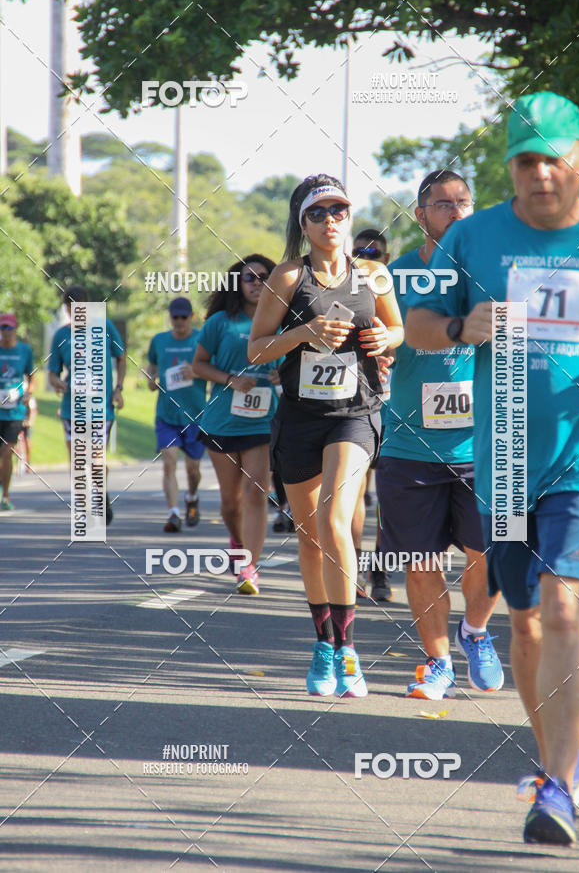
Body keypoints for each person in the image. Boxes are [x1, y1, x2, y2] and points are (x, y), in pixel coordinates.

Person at [404, 93, 579, 845]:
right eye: (526, 160)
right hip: (507, 455)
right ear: (509, 167)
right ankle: (561, 759)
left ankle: (555, 787)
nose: (541, 174)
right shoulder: (474, 238)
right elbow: (416, 327)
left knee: (563, 607)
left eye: (555, 158)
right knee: (521, 618)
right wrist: (459, 325)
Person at [248, 174, 403, 698]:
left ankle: (348, 650)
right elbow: (256, 349)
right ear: (303, 224)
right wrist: (304, 333)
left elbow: (396, 329)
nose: (331, 221)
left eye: (339, 211)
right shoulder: (290, 278)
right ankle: (322, 642)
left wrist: (387, 337)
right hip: (299, 418)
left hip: (355, 413)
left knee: (339, 520)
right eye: (319, 213)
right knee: (313, 538)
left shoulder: (374, 275)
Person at [378, 170, 503, 698]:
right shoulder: (395, 276)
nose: (454, 211)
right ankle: (438, 661)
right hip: (410, 445)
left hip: (487, 443)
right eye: (442, 204)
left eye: (463, 203)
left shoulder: (495, 271)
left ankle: (474, 632)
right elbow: (379, 336)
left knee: (493, 553)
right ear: (419, 214)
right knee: (421, 561)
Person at [193, 254, 279, 595]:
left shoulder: (282, 322)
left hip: (263, 420)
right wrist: (229, 379)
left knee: (257, 491)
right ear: (237, 284)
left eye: (264, 277)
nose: (258, 283)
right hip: (223, 422)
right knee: (231, 503)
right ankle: (237, 539)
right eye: (250, 278)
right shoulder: (220, 322)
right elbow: (199, 365)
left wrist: (278, 374)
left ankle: (248, 567)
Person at [49, 286, 125, 524]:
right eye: (71, 308)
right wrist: (59, 384)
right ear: (66, 309)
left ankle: (101, 493)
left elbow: (121, 357)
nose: (77, 313)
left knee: (96, 461)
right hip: (73, 409)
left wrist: (119, 388)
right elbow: (52, 374)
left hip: (102, 408)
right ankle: (82, 512)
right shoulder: (62, 336)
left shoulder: (106, 328)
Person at [352, 230, 392, 600]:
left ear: (385, 256)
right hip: (358, 406)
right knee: (355, 492)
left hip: (399, 408)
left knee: (386, 499)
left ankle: (379, 571)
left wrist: (392, 349)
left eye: (373, 252)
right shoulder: (344, 291)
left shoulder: (392, 287)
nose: (365, 257)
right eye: (359, 252)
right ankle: (351, 568)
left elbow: (406, 334)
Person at [146, 297, 207, 533]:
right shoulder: (159, 340)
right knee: (169, 461)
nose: (179, 321)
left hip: (196, 415)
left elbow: (214, 369)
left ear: (191, 317)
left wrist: (196, 371)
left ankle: (192, 496)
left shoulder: (201, 339)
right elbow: (152, 365)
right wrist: (151, 378)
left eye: (184, 317)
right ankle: (173, 514)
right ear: (170, 318)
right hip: (167, 415)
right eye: (175, 317)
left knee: (193, 469)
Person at [0, 313, 34, 510]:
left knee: (7, 451)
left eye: (8, 328)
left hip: (15, 411)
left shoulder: (25, 351)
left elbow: (32, 376)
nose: (5, 333)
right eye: (2, 328)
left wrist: (29, 392)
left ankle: (5, 496)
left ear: (15, 329)